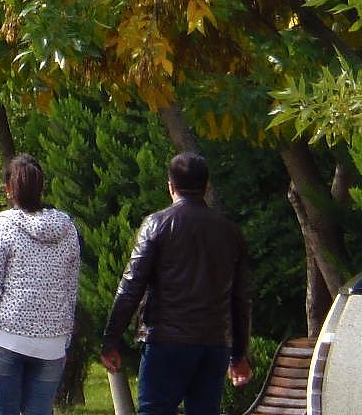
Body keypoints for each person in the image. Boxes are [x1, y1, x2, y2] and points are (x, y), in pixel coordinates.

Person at [99, 152, 252, 415]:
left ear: (170, 185)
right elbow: (240, 297)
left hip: (165, 339)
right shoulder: (229, 231)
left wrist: (111, 339)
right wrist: (238, 353)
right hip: (213, 342)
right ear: (207, 186)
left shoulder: (157, 224)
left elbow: (131, 285)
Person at [0, 155, 82, 415]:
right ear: (41, 187)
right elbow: (71, 288)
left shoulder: (1, 228)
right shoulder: (67, 229)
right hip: (52, 342)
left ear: (8, 190)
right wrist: (65, 338)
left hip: (8, 338)